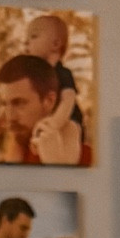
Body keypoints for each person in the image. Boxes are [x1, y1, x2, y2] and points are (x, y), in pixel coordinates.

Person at [0, 53, 91, 166]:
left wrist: (57, 166)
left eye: (19, 103)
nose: (10, 116)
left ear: (49, 101)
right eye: (4, 104)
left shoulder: (86, 159)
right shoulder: (13, 156)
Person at [22, 14, 83, 147]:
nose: (26, 42)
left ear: (55, 44)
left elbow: (68, 100)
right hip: (46, 130)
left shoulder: (63, 73)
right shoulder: (36, 78)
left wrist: (53, 124)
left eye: (33, 36)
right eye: (26, 39)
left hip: (66, 127)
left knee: (71, 128)